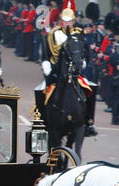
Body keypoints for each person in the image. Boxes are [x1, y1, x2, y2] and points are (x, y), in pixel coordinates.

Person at [41, 0, 98, 136]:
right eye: (64, 20)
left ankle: (89, 122)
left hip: (76, 72)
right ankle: (42, 120)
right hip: (56, 71)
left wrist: (84, 63)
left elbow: (86, 53)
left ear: (73, 21)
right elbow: (46, 53)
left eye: (69, 21)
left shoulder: (79, 34)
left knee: (92, 88)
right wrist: (46, 65)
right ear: (61, 20)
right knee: (40, 91)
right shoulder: (53, 34)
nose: (67, 23)